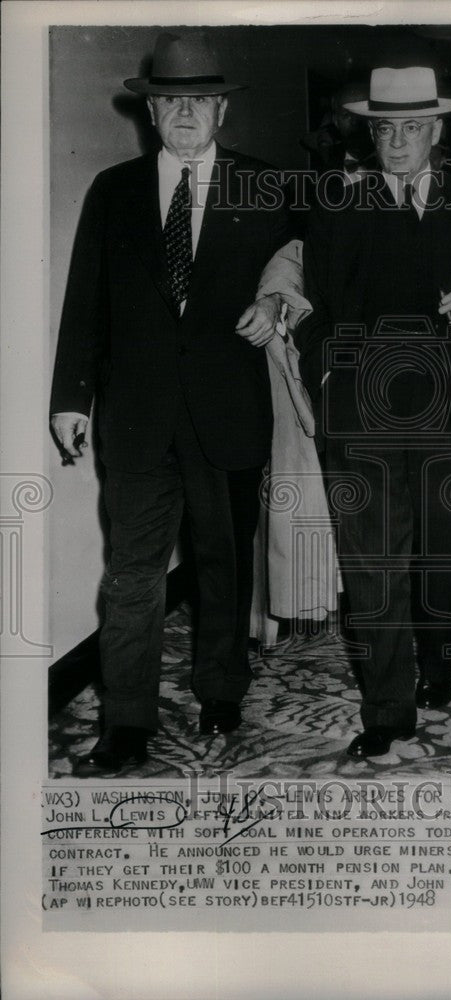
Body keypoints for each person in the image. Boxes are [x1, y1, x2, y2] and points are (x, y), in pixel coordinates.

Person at [50, 32, 290, 774]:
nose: (184, 113)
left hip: (228, 413)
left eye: (198, 100)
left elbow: (303, 265)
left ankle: (221, 691)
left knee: (224, 566)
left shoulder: (266, 185)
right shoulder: (113, 191)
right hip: (136, 418)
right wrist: (71, 397)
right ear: (151, 114)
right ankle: (125, 721)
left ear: (220, 109)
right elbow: (84, 299)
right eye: (169, 101)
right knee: (133, 574)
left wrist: (279, 304)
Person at [293, 66, 451, 758]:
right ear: (371, 133)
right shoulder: (337, 208)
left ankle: (436, 659)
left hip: (449, 413)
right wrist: (333, 384)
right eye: (386, 129)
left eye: (413, 128)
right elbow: (313, 316)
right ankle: (386, 707)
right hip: (363, 416)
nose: (399, 141)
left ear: (436, 131)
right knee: (372, 565)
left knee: (444, 553)